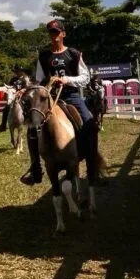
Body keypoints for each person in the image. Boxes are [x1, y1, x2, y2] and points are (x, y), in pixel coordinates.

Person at [19, 20, 95, 186]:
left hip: (71, 96)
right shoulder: (44, 56)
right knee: (32, 126)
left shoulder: (74, 54)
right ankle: (35, 169)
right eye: (51, 32)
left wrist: (65, 79)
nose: (53, 36)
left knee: (89, 122)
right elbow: (39, 80)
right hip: (48, 98)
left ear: (63, 34)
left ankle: (92, 167)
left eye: (56, 32)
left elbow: (85, 77)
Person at [0, 66, 30, 132]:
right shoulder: (13, 79)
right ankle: (3, 125)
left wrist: (22, 91)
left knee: (29, 106)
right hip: (14, 96)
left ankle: (31, 123)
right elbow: (10, 87)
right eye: (16, 71)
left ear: (22, 71)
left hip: (23, 96)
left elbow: (27, 87)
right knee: (6, 108)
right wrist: (9, 91)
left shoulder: (25, 78)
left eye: (19, 71)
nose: (17, 72)